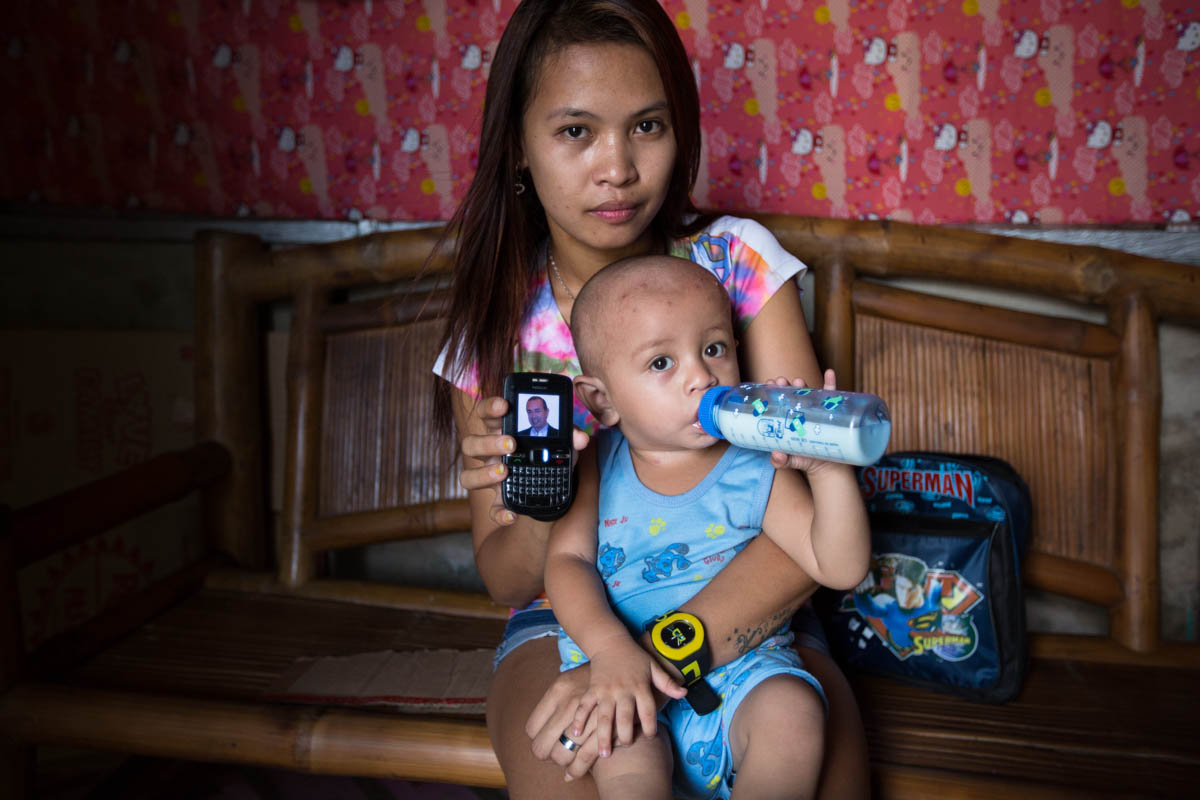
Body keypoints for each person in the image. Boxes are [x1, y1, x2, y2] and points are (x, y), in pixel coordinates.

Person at [430, 1, 871, 796]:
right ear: (518, 149)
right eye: (575, 132)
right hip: (569, 624)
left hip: (755, 611)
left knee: (816, 757)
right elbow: (508, 579)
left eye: (647, 126)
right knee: (575, 775)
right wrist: (543, 497)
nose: (617, 168)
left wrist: (656, 658)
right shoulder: (495, 332)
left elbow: (803, 534)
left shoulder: (735, 263)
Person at [545, 255, 870, 800]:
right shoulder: (597, 463)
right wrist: (609, 650)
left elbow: (839, 566)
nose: (701, 375)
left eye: (714, 348)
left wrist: (827, 470)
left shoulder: (757, 462)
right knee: (621, 756)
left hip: (743, 671)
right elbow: (566, 562)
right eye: (661, 363)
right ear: (602, 401)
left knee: (793, 713)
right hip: (619, 665)